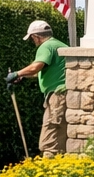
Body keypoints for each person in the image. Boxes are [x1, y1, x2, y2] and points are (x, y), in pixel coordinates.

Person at [5, 20, 68, 157]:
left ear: (36, 36)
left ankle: (48, 166)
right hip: (65, 93)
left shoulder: (45, 47)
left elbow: (36, 66)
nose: (33, 41)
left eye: (32, 38)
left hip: (57, 95)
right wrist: (23, 76)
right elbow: (44, 70)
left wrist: (16, 74)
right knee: (61, 134)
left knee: (49, 136)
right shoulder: (59, 45)